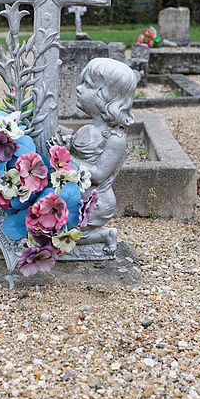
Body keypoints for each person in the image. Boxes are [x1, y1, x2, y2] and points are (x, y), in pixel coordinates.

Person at [58, 57, 138, 255]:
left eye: (87, 85)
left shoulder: (115, 139)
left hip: (95, 201)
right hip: (77, 194)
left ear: (106, 97)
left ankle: (105, 235)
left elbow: (99, 174)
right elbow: (76, 148)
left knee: (71, 231)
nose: (78, 88)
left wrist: (65, 158)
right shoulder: (89, 129)